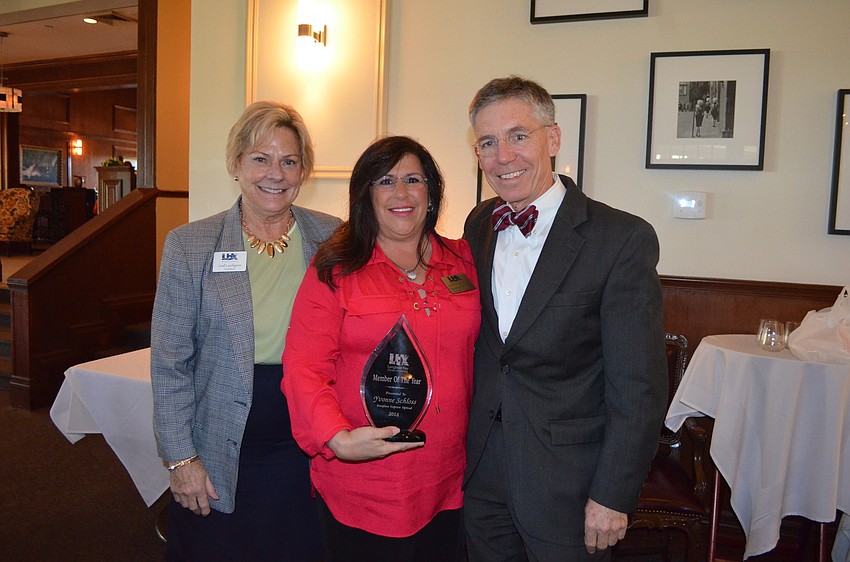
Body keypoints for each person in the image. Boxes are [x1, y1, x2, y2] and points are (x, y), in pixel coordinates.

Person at [462, 76, 668, 562]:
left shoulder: (620, 238)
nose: (503, 156)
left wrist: (613, 495)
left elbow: (638, 386)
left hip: (570, 487)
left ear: (552, 139)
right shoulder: (478, 224)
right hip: (482, 478)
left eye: (518, 136)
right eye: (487, 143)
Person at [151, 100, 342, 561]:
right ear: (236, 164)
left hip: (308, 447)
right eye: (261, 158)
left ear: (303, 171)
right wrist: (181, 460)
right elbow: (170, 363)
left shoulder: (334, 238)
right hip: (219, 450)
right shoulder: (191, 245)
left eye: (289, 161)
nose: (275, 173)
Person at [282, 135, 481, 561]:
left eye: (414, 179)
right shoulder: (335, 270)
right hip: (366, 480)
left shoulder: (466, 261)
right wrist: (337, 439)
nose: (402, 193)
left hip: (450, 477)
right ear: (365, 195)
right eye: (385, 181)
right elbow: (303, 367)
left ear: (432, 192)